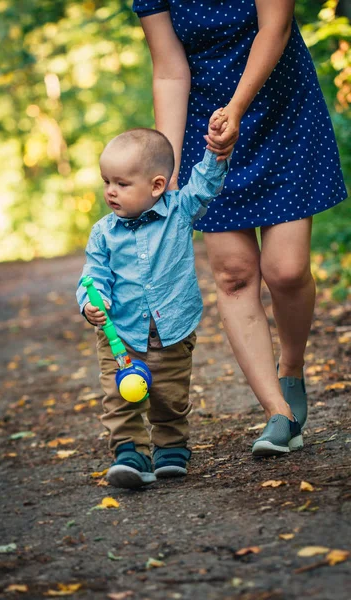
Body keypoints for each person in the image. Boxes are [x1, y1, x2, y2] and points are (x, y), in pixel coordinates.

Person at [132, 0, 348, 457]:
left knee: (286, 270)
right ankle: (278, 413)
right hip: (206, 129)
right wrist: (166, 163)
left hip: (280, 108)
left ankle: (291, 368)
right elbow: (170, 71)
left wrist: (237, 108)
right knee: (233, 274)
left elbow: (277, 26)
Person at [76, 127, 230, 488]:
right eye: (106, 182)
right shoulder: (103, 232)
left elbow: (205, 184)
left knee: (169, 394)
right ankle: (130, 451)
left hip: (171, 328)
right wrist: (92, 302)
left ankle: (171, 445)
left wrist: (216, 151)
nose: (110, 191)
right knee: (119, 397)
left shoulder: (179, 210)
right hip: (120, 334)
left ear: (157, 185)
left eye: (122, 184)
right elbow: (93, 275)